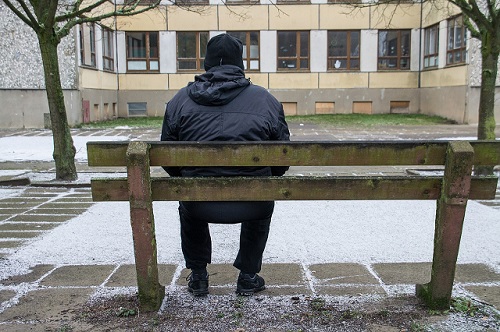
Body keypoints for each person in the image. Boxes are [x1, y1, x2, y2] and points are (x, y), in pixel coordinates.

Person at [161, 33, 290, 296]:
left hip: (199, 204)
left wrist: (186, 176)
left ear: (207, 63)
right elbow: (283, 157)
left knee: (188, 195)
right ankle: (248, 275)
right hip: (253, 203)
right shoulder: (266, 100)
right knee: (263, 193)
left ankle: (198, 276)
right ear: (239, 63)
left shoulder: (180, 101)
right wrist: (267, 175)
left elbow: (166, 155)